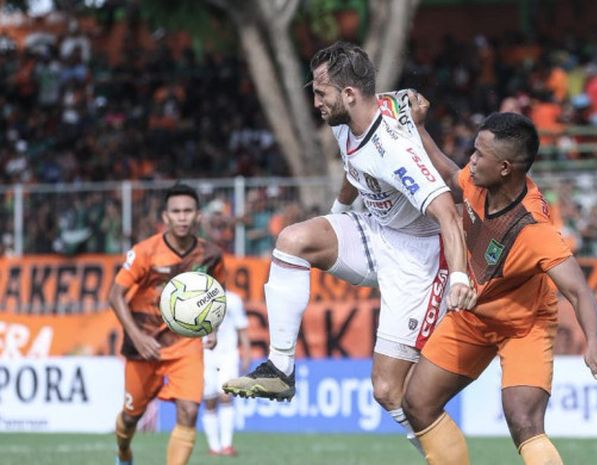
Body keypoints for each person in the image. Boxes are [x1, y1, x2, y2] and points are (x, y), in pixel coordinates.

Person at [223, 41, 476, 454]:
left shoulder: (393, 149)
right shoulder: (347, 122)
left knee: (390, 391)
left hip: (421, 257)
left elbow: (448, 211)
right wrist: (337, 215)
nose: (316, 102)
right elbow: (353, 167)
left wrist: (461, 277)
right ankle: (281, 369)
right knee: (294, 241)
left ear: (349, 94)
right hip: (377, 232)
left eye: (321, 93)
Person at [401, 94, 597, 465]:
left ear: (506, 167)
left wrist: (595, 344)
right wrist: (418, 127)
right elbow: (448, 173)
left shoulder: (534, 230)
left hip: (524, 325)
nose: (471, 160)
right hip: (473, 316)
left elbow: (579, 290)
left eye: (479, 154)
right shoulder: (478, 182)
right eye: (474, 150)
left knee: (523, 420)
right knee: (417, 403)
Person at [109, 183, 226, 465]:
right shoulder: (145, 252)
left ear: (198, 215)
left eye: (188, 211)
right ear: (166, 217)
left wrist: (212, 328)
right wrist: (137, 337)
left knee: (188, 412)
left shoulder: (211, 255)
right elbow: (115, 296)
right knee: (130, 417)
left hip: (184, 346)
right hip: (144, 346)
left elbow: (215, 294)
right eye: (176, 212)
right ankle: (124, 452)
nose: (182, 217)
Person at [202, 290, 251, 456]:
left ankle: (226, 445)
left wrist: (247, 353)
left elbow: (242, 328)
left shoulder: (233, 300)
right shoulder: (196, 298)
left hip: (228, 355)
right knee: (209, 401)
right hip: (205, 354)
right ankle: (214, 447)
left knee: (225, 396)